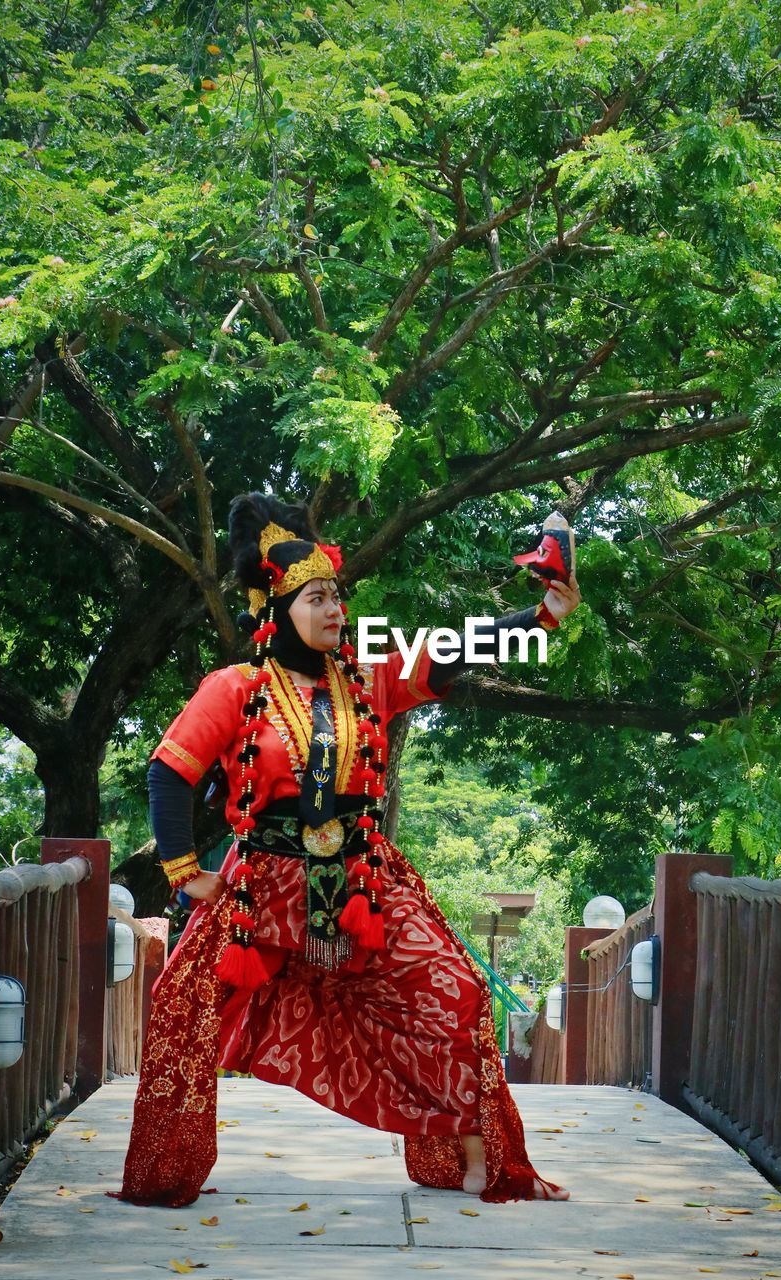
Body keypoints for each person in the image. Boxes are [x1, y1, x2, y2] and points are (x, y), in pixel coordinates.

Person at [115, 493, 580, 1209]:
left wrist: (543, 618)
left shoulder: (369, 677)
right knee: (186, 1006)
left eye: (338, 597)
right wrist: (184, 871)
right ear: (279, 607)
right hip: (259, 891)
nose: (336, 610)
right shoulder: (235, 688)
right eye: (319, 598)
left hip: (363, 881)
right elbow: (168, 771)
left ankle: (481, 1158)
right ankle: (162, 1171)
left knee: (455, 991)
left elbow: (460, 649)